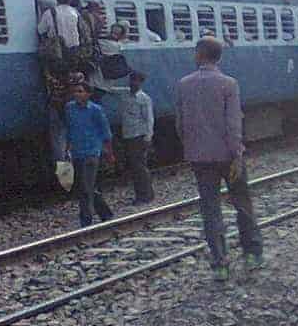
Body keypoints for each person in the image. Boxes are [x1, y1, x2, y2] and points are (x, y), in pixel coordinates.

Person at [175, 38, 263, 281]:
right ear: (219, 57)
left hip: (200, 157)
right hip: (228, 155)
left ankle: (220, 264)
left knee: (210, 209)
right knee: (242, 202)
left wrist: (191, 147)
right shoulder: (228, 84)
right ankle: (251, 254)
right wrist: (237, 154)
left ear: (199, 55)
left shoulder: (184, 84)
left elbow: (180, 124)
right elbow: (233, 124)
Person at [65, 82, 114, 227]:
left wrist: (109, 152)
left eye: (80, 91)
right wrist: (67, 148)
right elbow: (69, 129)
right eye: (75, 91)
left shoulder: (96, 110)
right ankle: (105, 213)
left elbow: (106, 132)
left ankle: (85, 221)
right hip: (77, 152)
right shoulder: (69, 108)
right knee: (87, 186)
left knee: (85, 188)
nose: (77, 94)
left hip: (92, 152)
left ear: (88, 94)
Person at [108, 71, 155, 204]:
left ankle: (145, 195)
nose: (133, 83)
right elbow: (109, 89)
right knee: (135, 167)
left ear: (141, 83)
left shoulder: (144, 98)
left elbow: (149, 119)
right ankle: (144, 194)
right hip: (128, 135)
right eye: (132, 80)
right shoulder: (124, 93)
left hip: (139, 136)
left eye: (136, 81)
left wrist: (148, 137)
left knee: (139, 167)